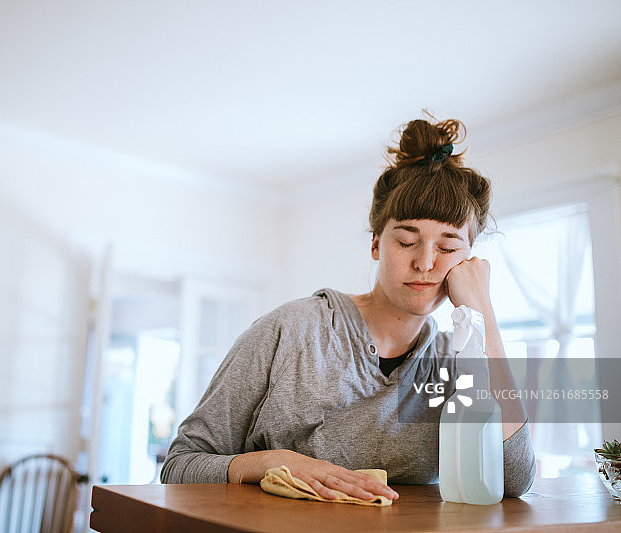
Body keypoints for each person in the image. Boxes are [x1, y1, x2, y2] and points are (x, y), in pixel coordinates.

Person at [160, 117, 536, 502]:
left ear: (469, 260)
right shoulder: (289, 331)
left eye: (448, 247)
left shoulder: (457, 361)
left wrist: (481, 311)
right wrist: (271, 462)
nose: (425, 263)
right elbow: (179, 466)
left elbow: (513, 478)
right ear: (376, 244)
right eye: (407, 241)